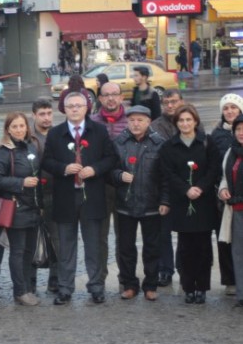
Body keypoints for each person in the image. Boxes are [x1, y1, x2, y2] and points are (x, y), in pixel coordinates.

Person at [42, 92, 116, 305]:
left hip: (92, 195)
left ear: (87, 108)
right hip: (65, 195)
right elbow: (46, 161)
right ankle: (65, 288)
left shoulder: (99, 131)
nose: (74, 109)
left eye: (78, 106)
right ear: (64, 109)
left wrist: (94, 169)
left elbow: (110, 158)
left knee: (94, 244)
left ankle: (96, 286)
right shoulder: (56, 133)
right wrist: (64, 168)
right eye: (70, 106)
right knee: (66, 245)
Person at [159, 105, 220, 304]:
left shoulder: (207, 142)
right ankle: (188, 287)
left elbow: (214, 168)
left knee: (203, 247)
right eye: (181, 120)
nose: (185, 124)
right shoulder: (170, 146)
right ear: (176, 123)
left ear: (195, 121)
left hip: (203, 201)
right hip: (182, 202)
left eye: (188, 120)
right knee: (185, 247)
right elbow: (168, 173)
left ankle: (201, 287)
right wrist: (186, 189)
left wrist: (200, 188)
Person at [111, 106, 167, 301]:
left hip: (152, 204)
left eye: (140, 120)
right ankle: (129, 284)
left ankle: (151, 285)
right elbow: (109, 170)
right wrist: (119, 175)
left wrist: (165, 200)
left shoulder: (159, 143)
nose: (135, 124)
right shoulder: (119, 142)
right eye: (132, 120)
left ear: (148, 122)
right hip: (125, 203)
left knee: (152, 247)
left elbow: (166, 177)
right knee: (126, 247)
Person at [0, 112, 42, 306]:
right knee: (18, 251)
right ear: (8, 129)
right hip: (16, 207)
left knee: (29, 251)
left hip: (32, 207)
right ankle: (20, 291)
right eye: (15, 127)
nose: (19, 130)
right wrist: (21, 183)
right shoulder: (3, 152)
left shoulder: (31, 146)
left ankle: (28, 288)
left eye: (22, 126)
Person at [91, 82, 128, 285]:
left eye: (115, 94)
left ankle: (125, 278)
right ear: (100, 98)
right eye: (106, 95)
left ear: (122, 97)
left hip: (124, 187)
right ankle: (99, 280)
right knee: (99, 237)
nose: (111, 98)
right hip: (100, 188)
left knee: (124, 238)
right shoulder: (92, 122)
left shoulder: (131, 120)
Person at [150, 89, 185, 287]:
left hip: (186, 188)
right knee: (163, 232)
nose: (170, 105)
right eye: (166, 102)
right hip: (163, 187)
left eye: (173, 101)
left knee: (186, 232)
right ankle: (165, 269)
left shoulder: (191, 120)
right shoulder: (156, 125)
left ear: (181, 101)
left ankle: (183, 266)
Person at [210, 94, 243, 296]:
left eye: (234, 107)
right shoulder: (217, 137)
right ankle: (233, 283)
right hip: (228, 201)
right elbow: (219, 169)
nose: (229, 111)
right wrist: (221, 188)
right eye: (226, 108)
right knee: (229, 243)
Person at [29, 98, 60, 293]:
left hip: (54, 193)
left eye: (49, 113)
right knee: (32, 239)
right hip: (31, 195)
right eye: (42, 114)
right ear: (34, 115)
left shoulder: (57, 135)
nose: (47, 118)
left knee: (57, 239)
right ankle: (30, 282)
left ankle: (55, 280)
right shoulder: (27, 136)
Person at [218, 115, 243, 307]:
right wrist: (223, 189)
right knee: (238, 253)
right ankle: (241, 294)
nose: (241, 133)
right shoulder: (231, 152)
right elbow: (224, 177)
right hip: (235, 210)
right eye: (238, 129)